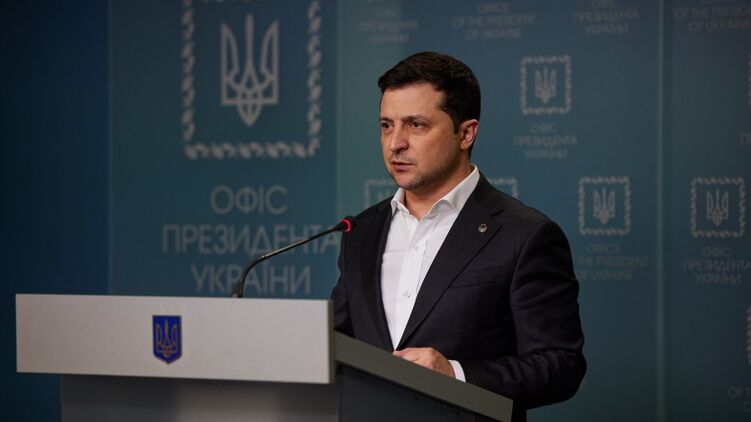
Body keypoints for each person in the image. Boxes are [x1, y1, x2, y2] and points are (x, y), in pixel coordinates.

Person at [331, 51, 585, 421]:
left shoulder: (524, 235)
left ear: (466, 133)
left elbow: (560, 365)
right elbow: (336, 345)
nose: (395, 143)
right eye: (386, 125)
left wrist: (456, 374)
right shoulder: (361, 232)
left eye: (416, 125)